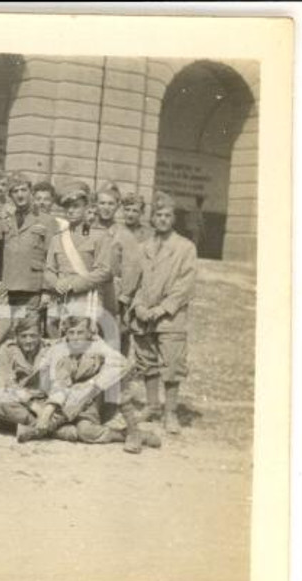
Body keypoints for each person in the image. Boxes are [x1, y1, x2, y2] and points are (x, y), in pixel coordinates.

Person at [17, 316, 160, 453]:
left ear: (89, 334)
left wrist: (92, 383)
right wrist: (47, 415)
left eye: (80, 332)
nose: (76, 337)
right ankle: (131, 435)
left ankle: (133, 431)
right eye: (71, 332)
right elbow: (59, 386)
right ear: (65, 334)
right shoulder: (59, 350)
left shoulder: (97, 345)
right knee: (86, 432)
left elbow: (122, 363)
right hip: (70, 401)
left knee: (116, 377)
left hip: (96, 398)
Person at [128, 191, 198, 435]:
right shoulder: (143, 247)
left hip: (170, 316)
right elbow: (135, 282)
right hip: (144, 315)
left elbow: (185, 286)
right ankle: (152, 406)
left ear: (173, 219)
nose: (163, 219)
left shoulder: (185, 247)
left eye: (167, 215)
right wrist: (138, 306)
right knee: (146, 362)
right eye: (158, 215)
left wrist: (161, 309)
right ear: (152, 218)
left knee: (171, 363)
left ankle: (170, 412)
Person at [0, 171, 54, 359]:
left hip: (32, 287)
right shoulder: (6, 220)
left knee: (29, 333)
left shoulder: (47, 221)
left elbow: (51, 258)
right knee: (3, 333)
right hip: (9, 287)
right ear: (10, 196)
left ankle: (31, 375)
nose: (20, 194)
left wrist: (47, 291)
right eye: (15, 191)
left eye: (23, 189)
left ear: (30, 192)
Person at [43, 182, 114, 328]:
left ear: (87, 208)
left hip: (87, 300)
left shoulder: (100, 236)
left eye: (76, 206)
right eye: (67, 207)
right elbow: (49, 269)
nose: (70, 211)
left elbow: (104, 271)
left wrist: (73, 284)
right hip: (60, 300)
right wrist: (56, 283)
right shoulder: (57, 238)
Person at [0, 315, 53, 430]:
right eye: (23, 336)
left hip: (44, 400)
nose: (28, 340)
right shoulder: (7, 349)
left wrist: (46, 409)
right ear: (16, 336)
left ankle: (33, 428)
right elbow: (6, 381)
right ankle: (42, 427)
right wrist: (31, 404)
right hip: (19, 401)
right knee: (3, 405)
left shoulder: (50, 348)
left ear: (40, 335)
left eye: (33, 336)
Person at [111, 192, 150, 354]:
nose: (130, 214)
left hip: (142, 291)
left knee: (142, 333)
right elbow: (114, 266)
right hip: (120, 290)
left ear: (141, 213)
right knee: (119, 331)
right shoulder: (116, 232)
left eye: (135, 210)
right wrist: (121, 293)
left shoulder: (149, 234)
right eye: (127, 210)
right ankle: (117, 368)